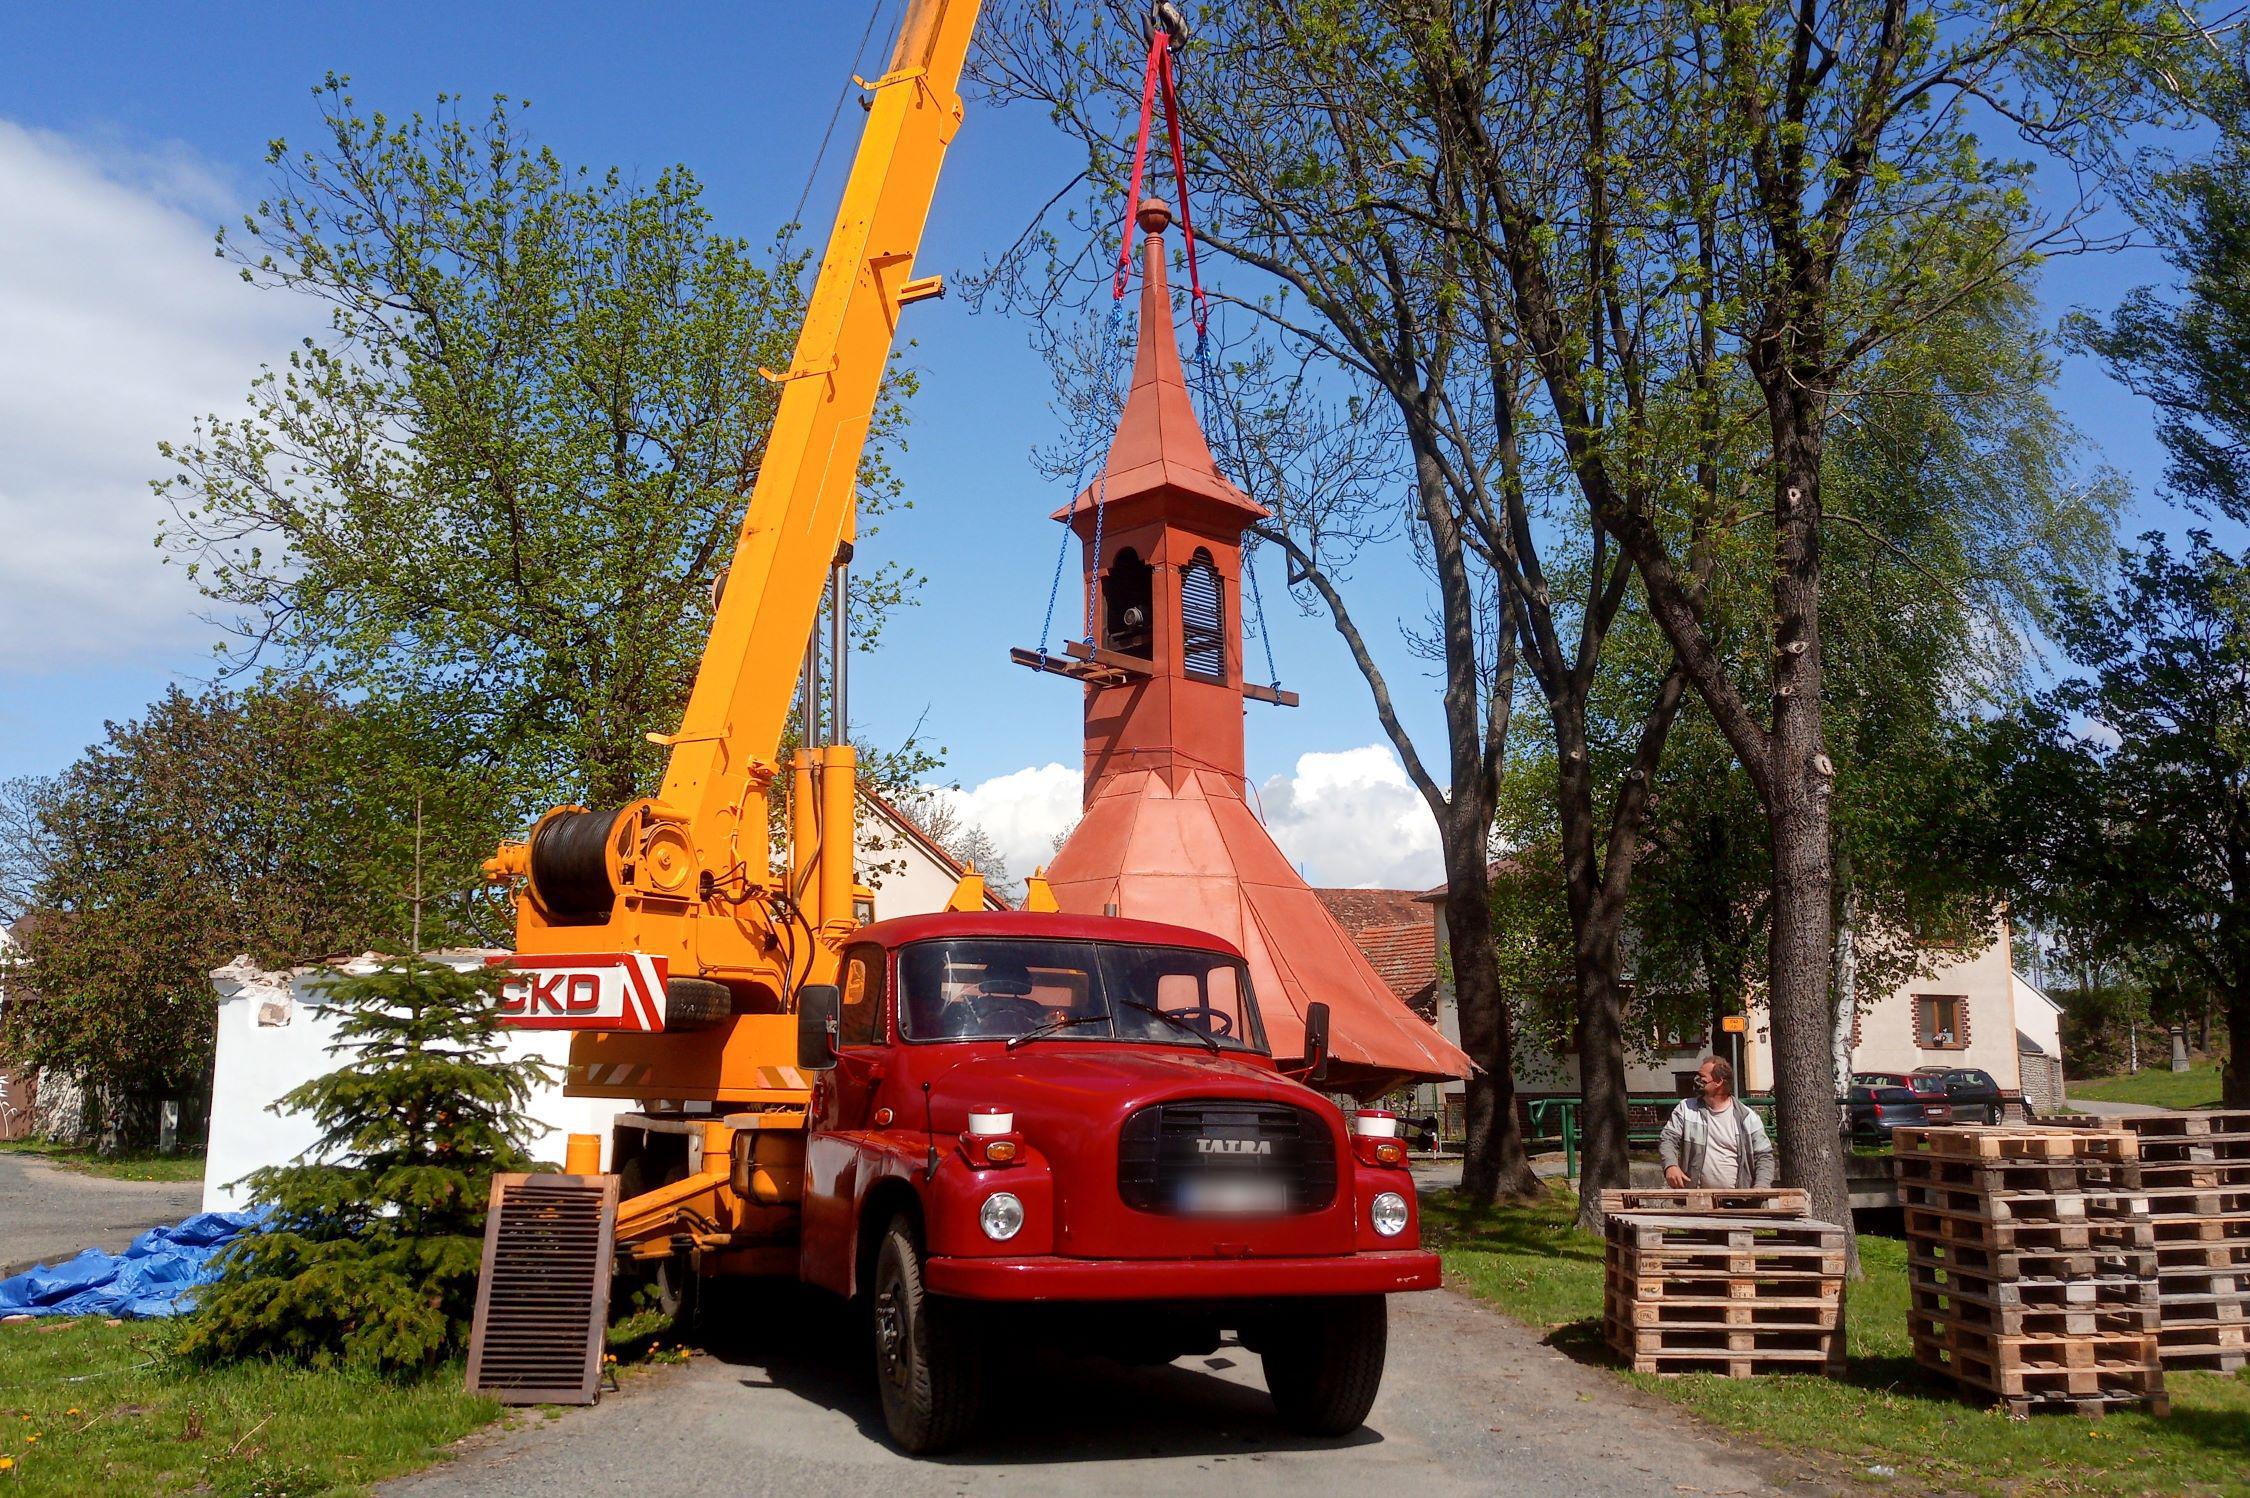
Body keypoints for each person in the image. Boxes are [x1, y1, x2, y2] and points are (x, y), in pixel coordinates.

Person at [1660, 1056, 1776, 1190]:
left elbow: (1764, 1156)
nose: (1697, 1080)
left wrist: (1761, 1187)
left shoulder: (1747, 1118)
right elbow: (1668, 1139)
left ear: (1718, 1082)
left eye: (1702, 1077)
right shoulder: (1685, 1109)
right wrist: (1670, 1166)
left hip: (1740, 1202)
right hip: (1698, 1201)